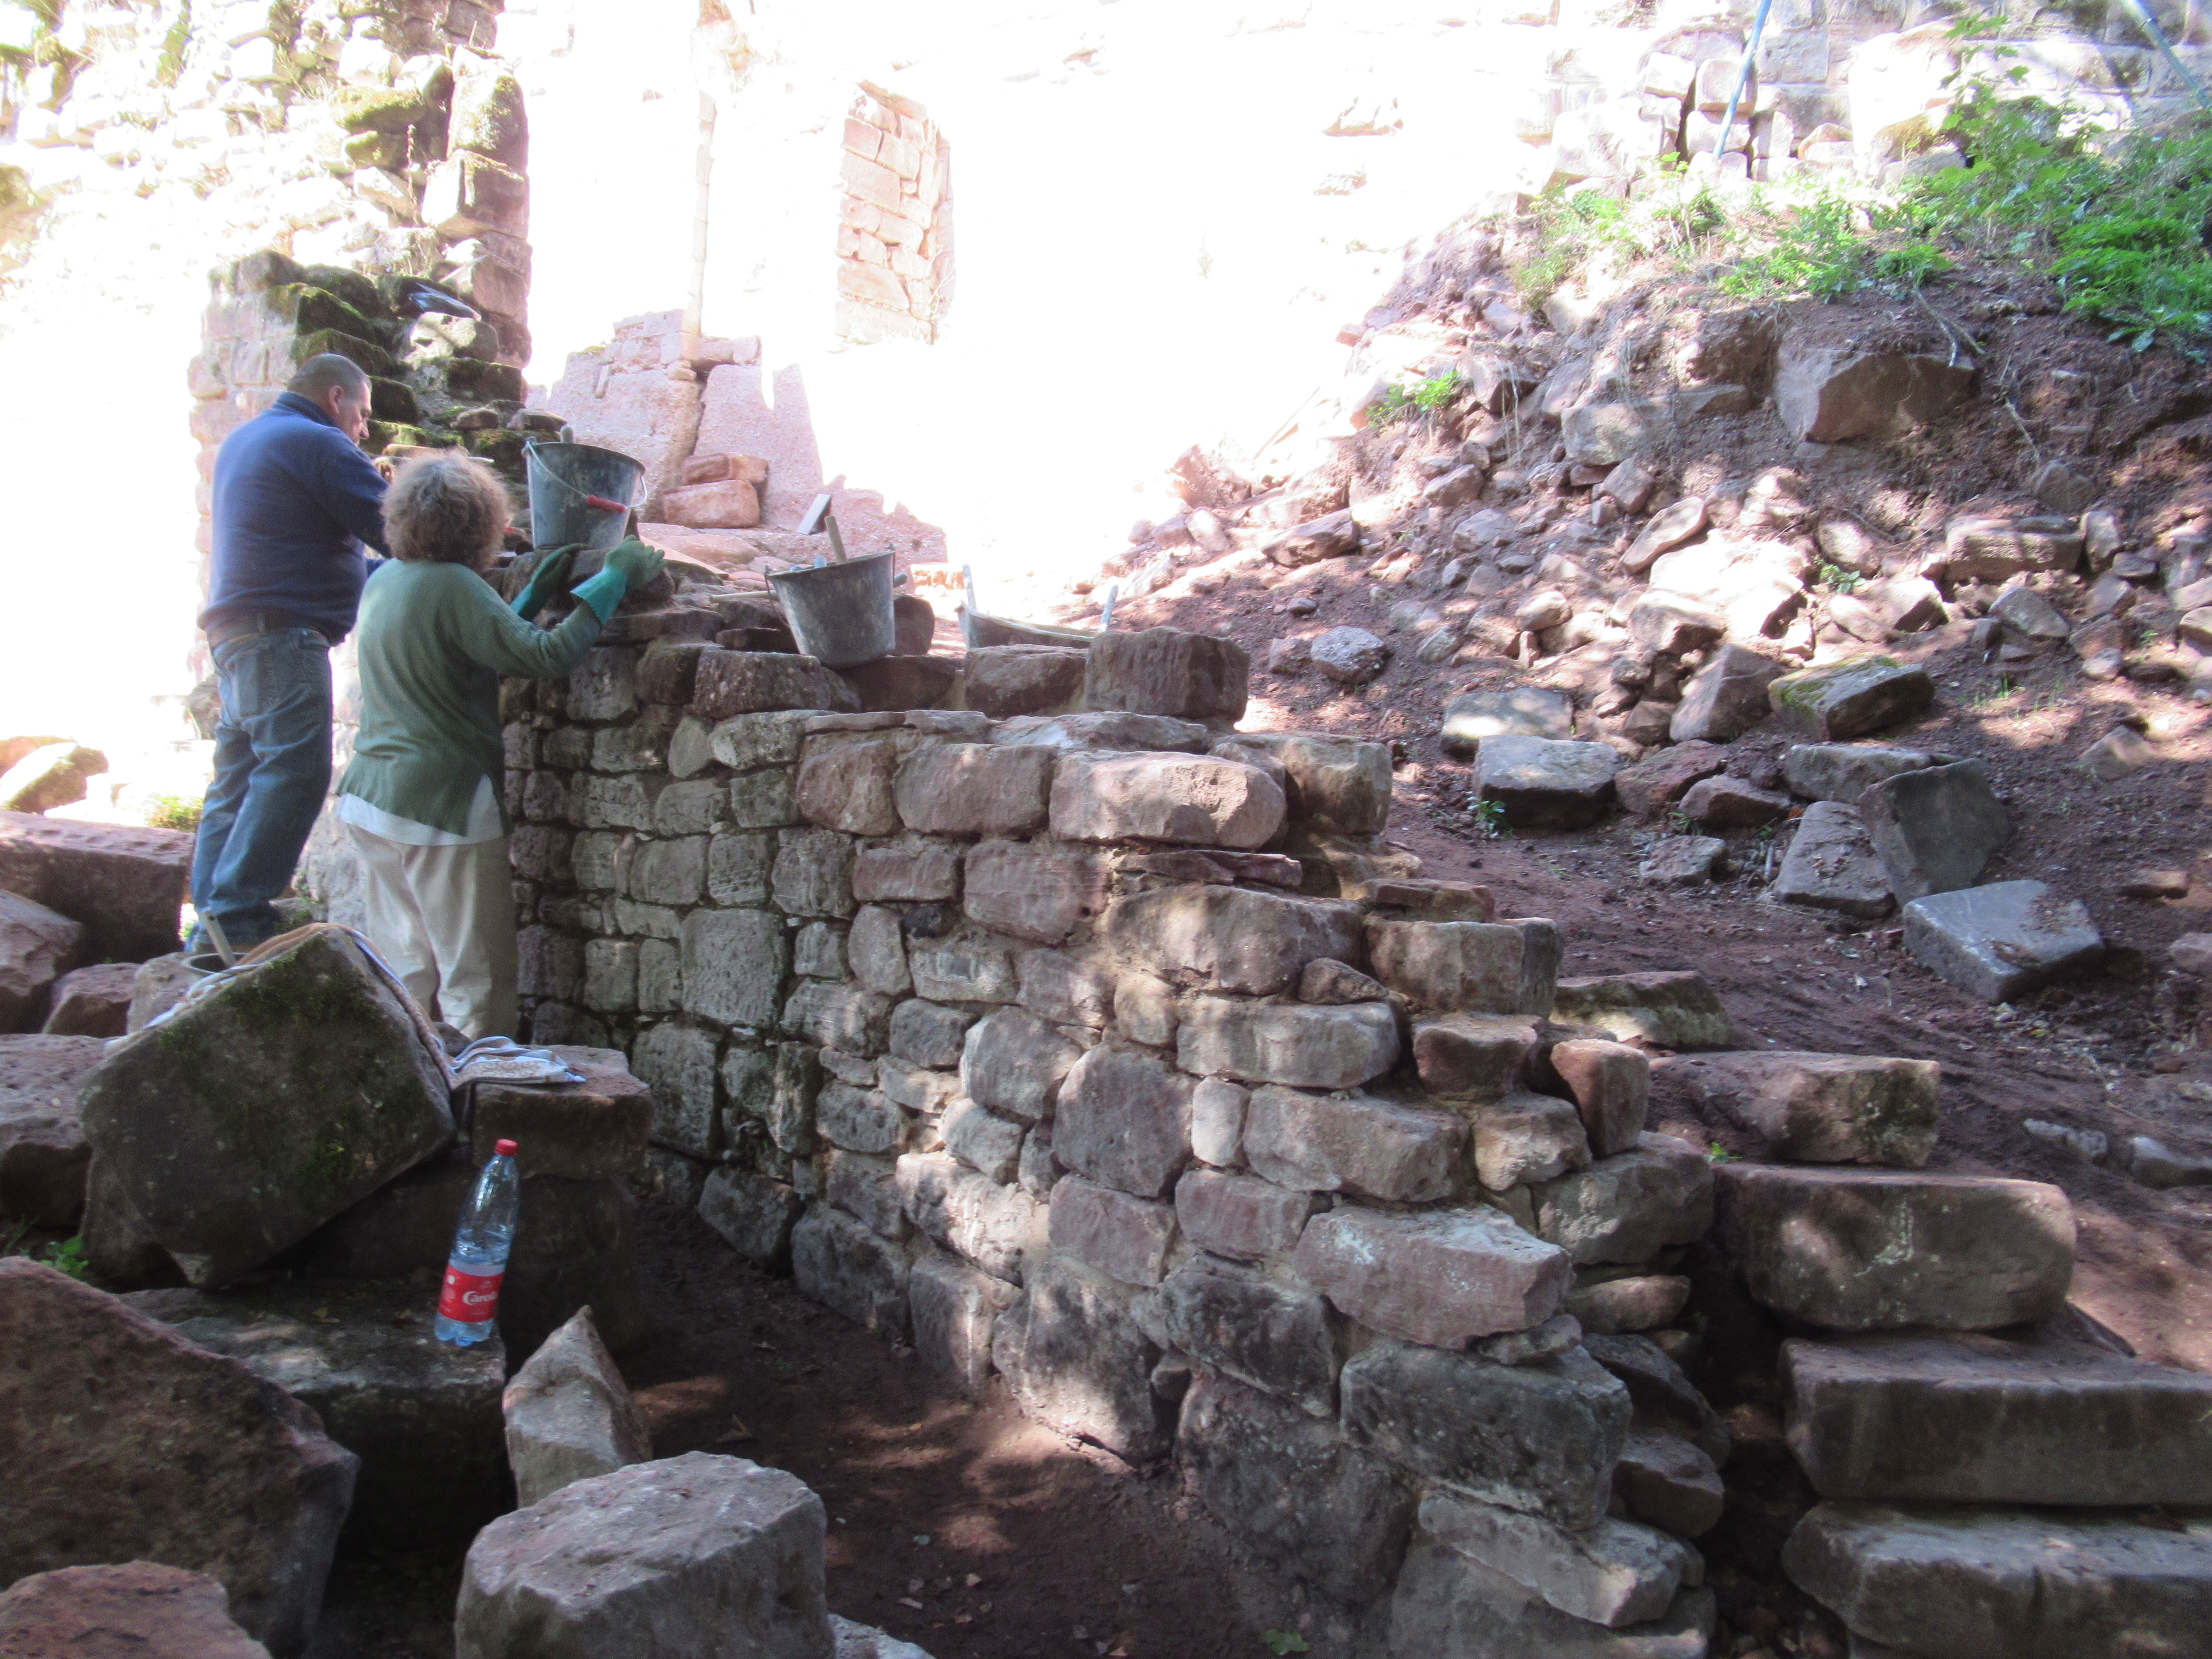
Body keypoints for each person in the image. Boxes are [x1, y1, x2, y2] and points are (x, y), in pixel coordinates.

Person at [338, 453, 663, 1038]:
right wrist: (614, 577)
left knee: (405, 969)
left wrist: (533, 595)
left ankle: (410, 1080)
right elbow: (545, 655)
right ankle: (481, 1088)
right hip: (440, 807)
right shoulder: (454, 584)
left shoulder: (386, 579)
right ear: (479, 523)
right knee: (476, 982)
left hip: (373, 800)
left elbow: (468, 651)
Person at [190, 352, 391, 954]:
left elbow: (309, 553)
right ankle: (238, 921)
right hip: (281, 637)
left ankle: (210, 928)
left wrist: (375, 575)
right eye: (363, 413)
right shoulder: (319, 442)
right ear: (336, 397)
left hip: (235, 635)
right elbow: (401, 527)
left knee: (237, 781)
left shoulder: (248, 439)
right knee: (295, 772)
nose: (363, 430)